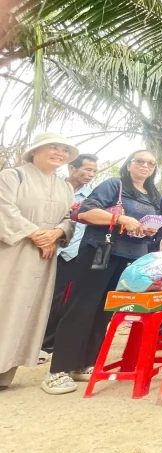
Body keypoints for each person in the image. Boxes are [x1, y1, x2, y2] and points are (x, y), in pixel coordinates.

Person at [46, 149, 161, 394]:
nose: (145, 166)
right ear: (129, 164)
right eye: (139, 161)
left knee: (103, 311)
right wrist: (121, 219)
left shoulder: (152, 195)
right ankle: (58, 370)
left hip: (129, 260)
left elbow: (152, 227)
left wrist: (149, 230)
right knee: (82, 307)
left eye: (150, 163)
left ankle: (85, 364)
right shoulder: (115, 185)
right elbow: (86, 211)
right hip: (100, 253)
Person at [0, 133, 77, 391]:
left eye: (64, 149)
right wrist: (35, 234)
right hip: (13, 251)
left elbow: (69, 218)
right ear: (36, 150)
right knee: (5, 305)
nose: (60, 152)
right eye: (53, 147)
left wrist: (55, 234)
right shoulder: (13, 176)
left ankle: (5, 374)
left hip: (45, 256)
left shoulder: (65, 187)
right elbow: (4, 209)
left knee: (28, 310)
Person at [40, 153, 98, 361]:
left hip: (72, 253)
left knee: (61, 297)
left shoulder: (93, 197)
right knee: (36, 296)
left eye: (93, 171)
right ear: (72, 169)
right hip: (43, 248)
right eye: (87, 169)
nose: (90, 174)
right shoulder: (52, 189)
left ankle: (47, 344)